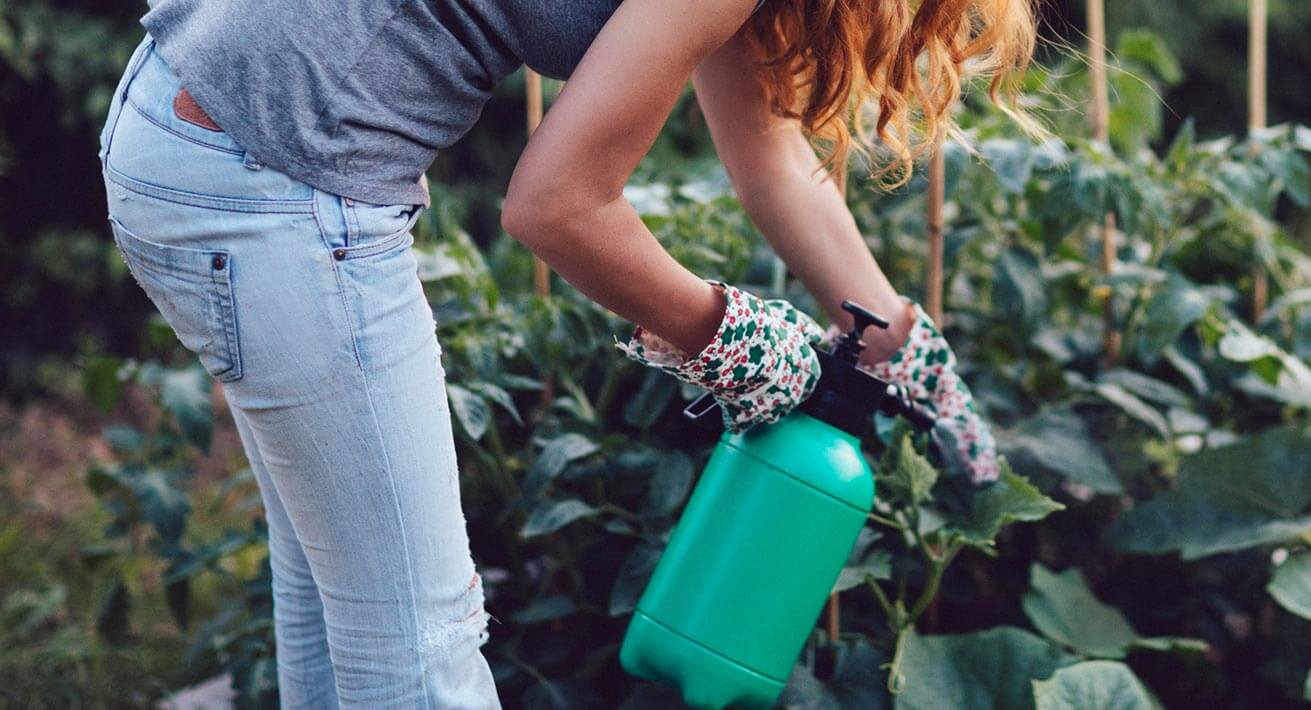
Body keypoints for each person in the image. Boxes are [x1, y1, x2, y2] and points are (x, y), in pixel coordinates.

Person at [98, 0, 1032, 705]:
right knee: (421, 645)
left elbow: (774, 159)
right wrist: (740, 342)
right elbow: (556, 207)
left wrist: (899, 347)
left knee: (341, 611)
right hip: (270, 185)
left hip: (198, 130)